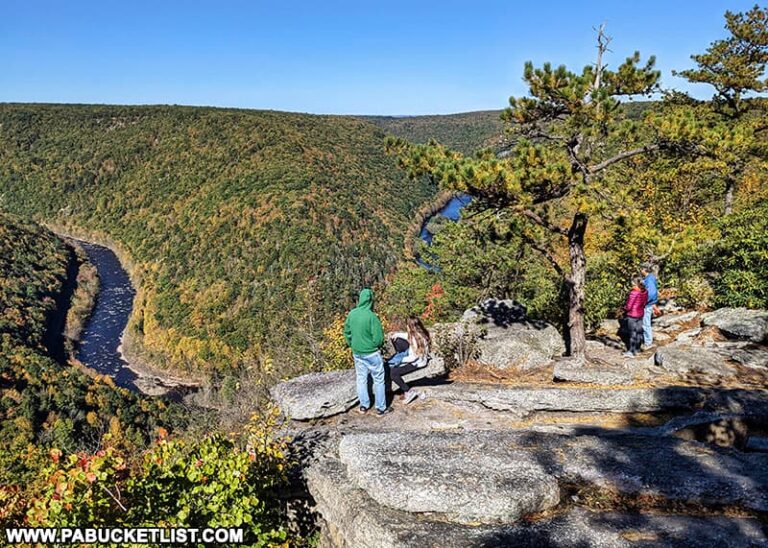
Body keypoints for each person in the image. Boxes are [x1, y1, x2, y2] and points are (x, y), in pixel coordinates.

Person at [344, 288, 390, 416]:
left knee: (361, 378)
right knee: (379, 379)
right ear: (370, 300)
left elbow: (347, 333)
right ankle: (380, 408)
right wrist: (375, 346)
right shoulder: (372, 317)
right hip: (371, 353)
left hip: (357, 352)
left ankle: (364, 406)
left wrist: (352, 344)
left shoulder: (352, 314)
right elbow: (379, 338)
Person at [387, 317, 431, 404]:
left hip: (417, 363)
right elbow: (407, 336)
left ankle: (408, 391)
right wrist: (396, 335)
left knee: (393, 373)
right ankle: (401, 353)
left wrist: (399, 360)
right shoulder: (420, 333)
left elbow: (413, 358)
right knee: (399, 340)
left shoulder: (415, 339)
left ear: (409, 326)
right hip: (420, 359)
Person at [623, 276, 648, 358]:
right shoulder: (645, 291)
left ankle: (631, 351)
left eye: (633, 284)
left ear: (636, 285)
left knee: (632, 333)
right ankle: (637, 349)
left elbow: (629, 306)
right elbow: (645, 303)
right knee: (639, 332)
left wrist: (625, 308)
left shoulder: (634, 293)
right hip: (640, 313)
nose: (632, 286)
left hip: (632, 314)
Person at [640, 263, 659, 349]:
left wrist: (643, 302)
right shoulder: (651, 277)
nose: (640, 271)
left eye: (641, 269)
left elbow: (651, 293)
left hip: (647, 305)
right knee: (646, 322)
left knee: (646, 323)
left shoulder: (649, 279)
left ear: (644, 270)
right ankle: (647, 340)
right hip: (649, 304)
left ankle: (648, 343)